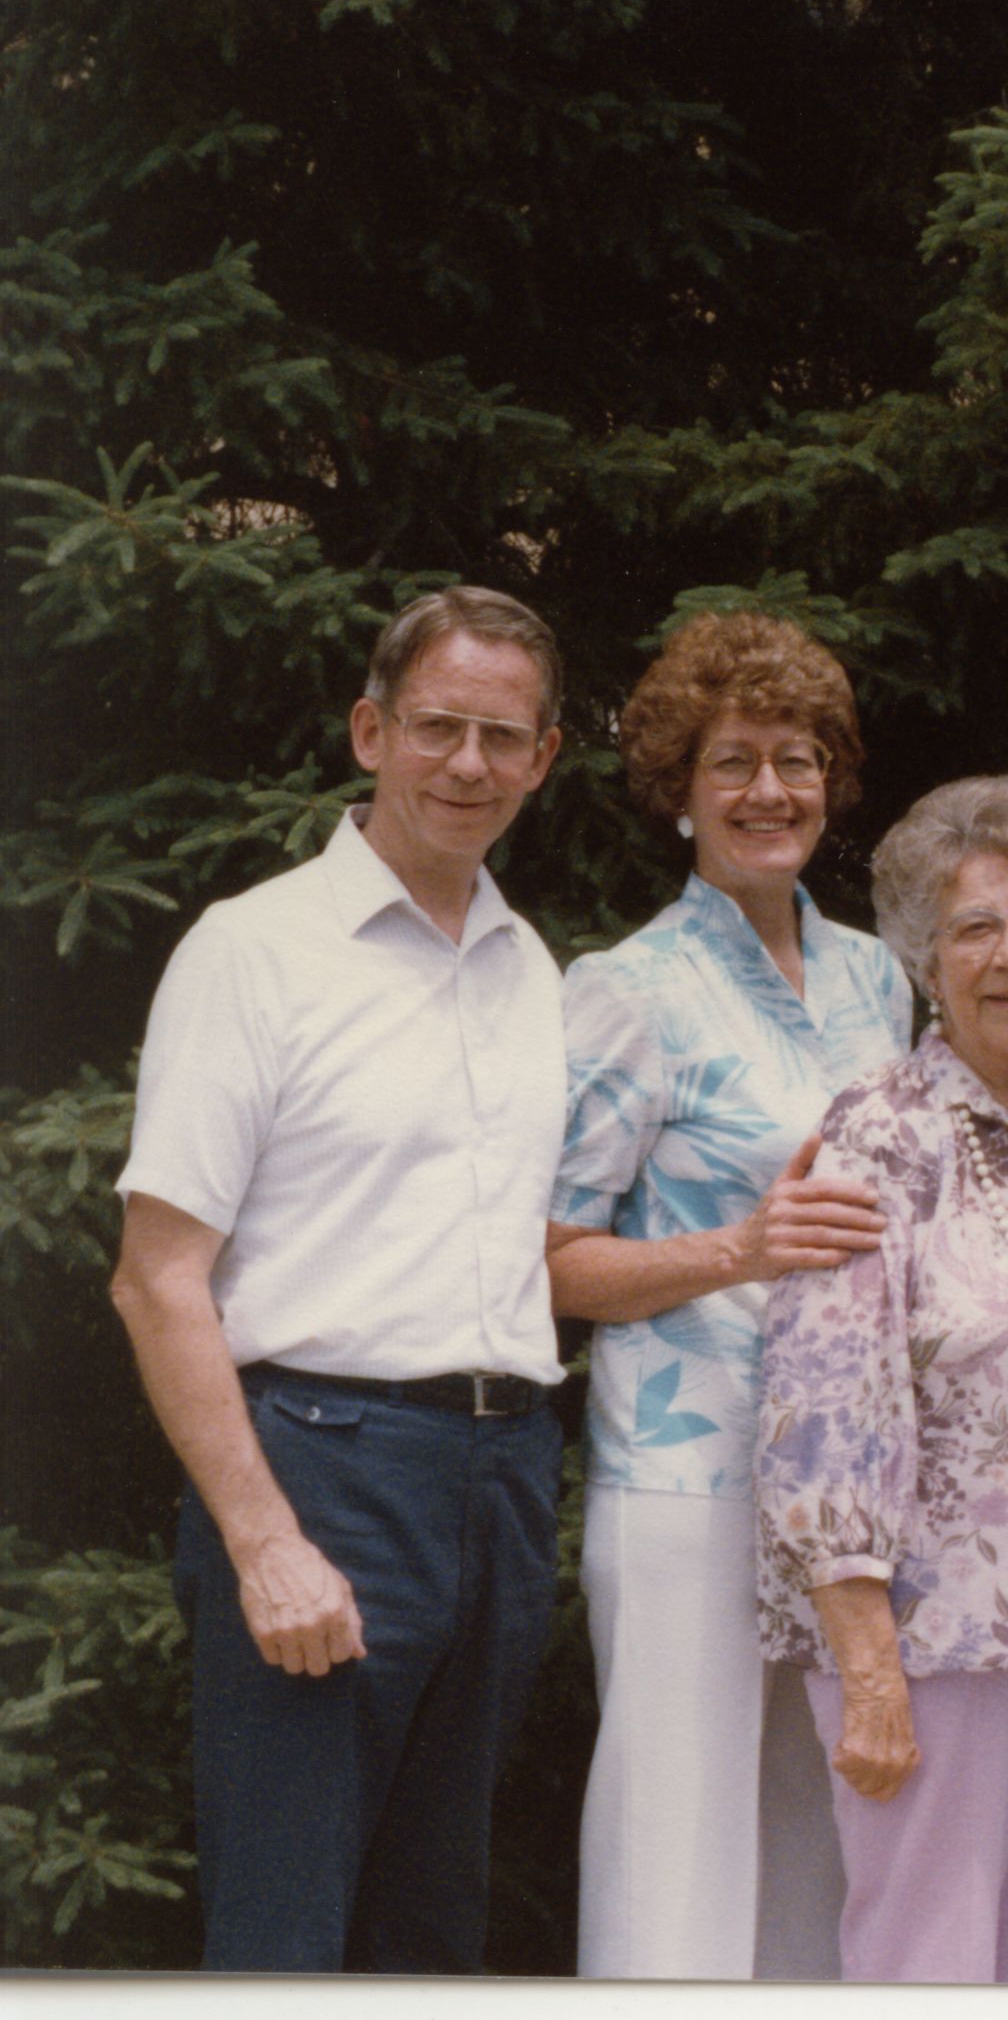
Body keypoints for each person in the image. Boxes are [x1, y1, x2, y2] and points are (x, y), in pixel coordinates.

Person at [107, 586, 569, 1972]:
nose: (469, 764)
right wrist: (264, 1543)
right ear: (372, 732)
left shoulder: (530, 970)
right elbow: (157, 1278)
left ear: (543, 758)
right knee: (285, 1936)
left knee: (432, 1933)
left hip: (501, 1482)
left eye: (503, 736)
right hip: (323, 1469)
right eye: (437, 727)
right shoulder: (255, 951)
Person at [546, 613, 914, 1980]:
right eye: (734, 761)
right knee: (676, 1860)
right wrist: (739, 1249)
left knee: (825, 1853)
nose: (770, 789)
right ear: (679, 789)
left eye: (797, 759)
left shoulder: (878, 976)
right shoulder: (626, 990)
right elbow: (551, 1259)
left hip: (848, 1489)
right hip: (686, 1474)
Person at [753, 776, 1008, 1984]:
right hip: (929, 1640)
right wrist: (869, 1666)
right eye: (974, 927)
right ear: (928, 961)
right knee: (923, 1962)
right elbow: (821, 1408)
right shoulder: (880, 1131)